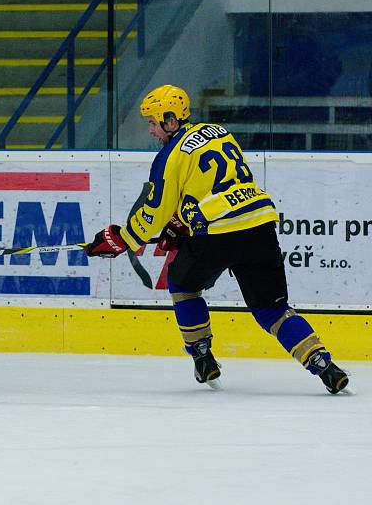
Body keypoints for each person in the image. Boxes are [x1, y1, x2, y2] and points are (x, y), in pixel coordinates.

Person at [85, 84, 349, 394]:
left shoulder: (170, 156)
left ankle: (202, 358)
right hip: (259, 226)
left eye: (153, 122)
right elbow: (218, 187)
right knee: (272, 309)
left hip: (217, 234)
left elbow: (154, 210)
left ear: (171, 121)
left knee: (183, 284)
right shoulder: (218, 131)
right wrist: (182, 223)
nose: (151, 130)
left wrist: (122, 238)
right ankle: (322, 364)